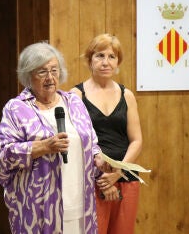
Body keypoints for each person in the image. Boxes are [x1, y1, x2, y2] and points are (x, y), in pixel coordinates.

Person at [0, 42, 112, 234]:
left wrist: (99, 160)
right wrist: (43, 147)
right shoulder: (16, 108)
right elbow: (3, 155)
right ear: (28, 75)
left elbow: (91, 144)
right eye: (42, 72)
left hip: (79, 205)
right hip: (38, 209)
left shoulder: (74, 102)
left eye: (54, 70)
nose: (50, 77)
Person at [70, 34, 142, 234]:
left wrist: (119, 173)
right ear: (89, 59)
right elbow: (77, 143)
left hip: (126, 177)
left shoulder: (127, 95)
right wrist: (103, 176)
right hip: (93, 180)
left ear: (118, 61)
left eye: (112, 56)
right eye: (100, 56)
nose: (105, 62)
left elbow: (136, 140)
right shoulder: (75, 96)